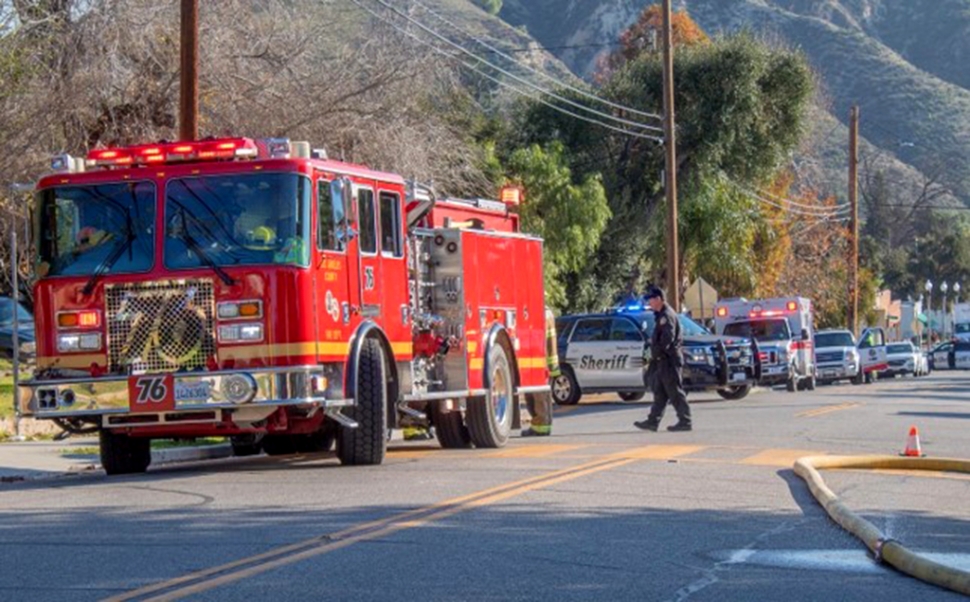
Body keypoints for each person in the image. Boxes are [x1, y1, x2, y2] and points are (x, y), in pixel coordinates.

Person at [635, 286, 692, 432]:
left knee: (674, 391)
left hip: (669, 360)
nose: (650, 303)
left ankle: (685, 421)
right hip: (662, 360)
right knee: (660, 392)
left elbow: (667, 338)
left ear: (659, 299)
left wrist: (659, 351)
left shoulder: (666, 315)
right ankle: (652, 421)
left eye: (651, 300)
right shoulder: (661, 315)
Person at [523, 306, 559, 437]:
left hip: (539, 362)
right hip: (547, 362)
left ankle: (540, 426)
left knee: (538, 397)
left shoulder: (539, 314)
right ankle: (543, 425)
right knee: (543, 396)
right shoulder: (548, 313)